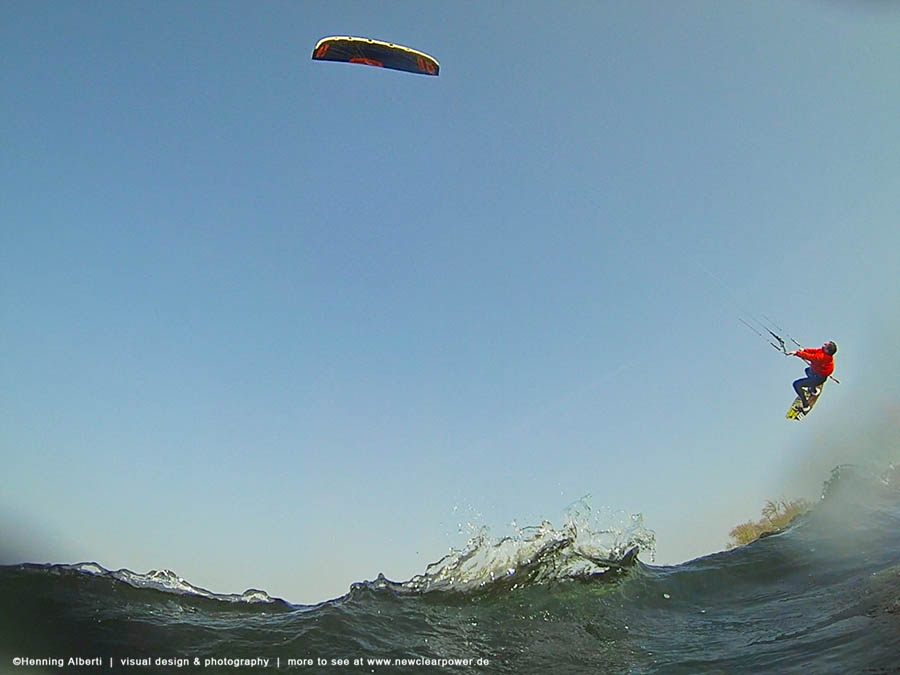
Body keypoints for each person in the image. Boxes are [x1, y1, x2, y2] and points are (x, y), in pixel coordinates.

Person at [789, 341, 837, 412]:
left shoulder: (822, 357)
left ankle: (806, 405)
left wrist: (797, 353)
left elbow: (810, 357)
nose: (824, 343)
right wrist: (805, 350)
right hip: (817, 373)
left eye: (826, 345)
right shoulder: (823, 351)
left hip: (819, 378)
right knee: (807, 370)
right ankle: (813, 390)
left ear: (827, 350)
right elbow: (814, 351)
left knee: (796, 384)